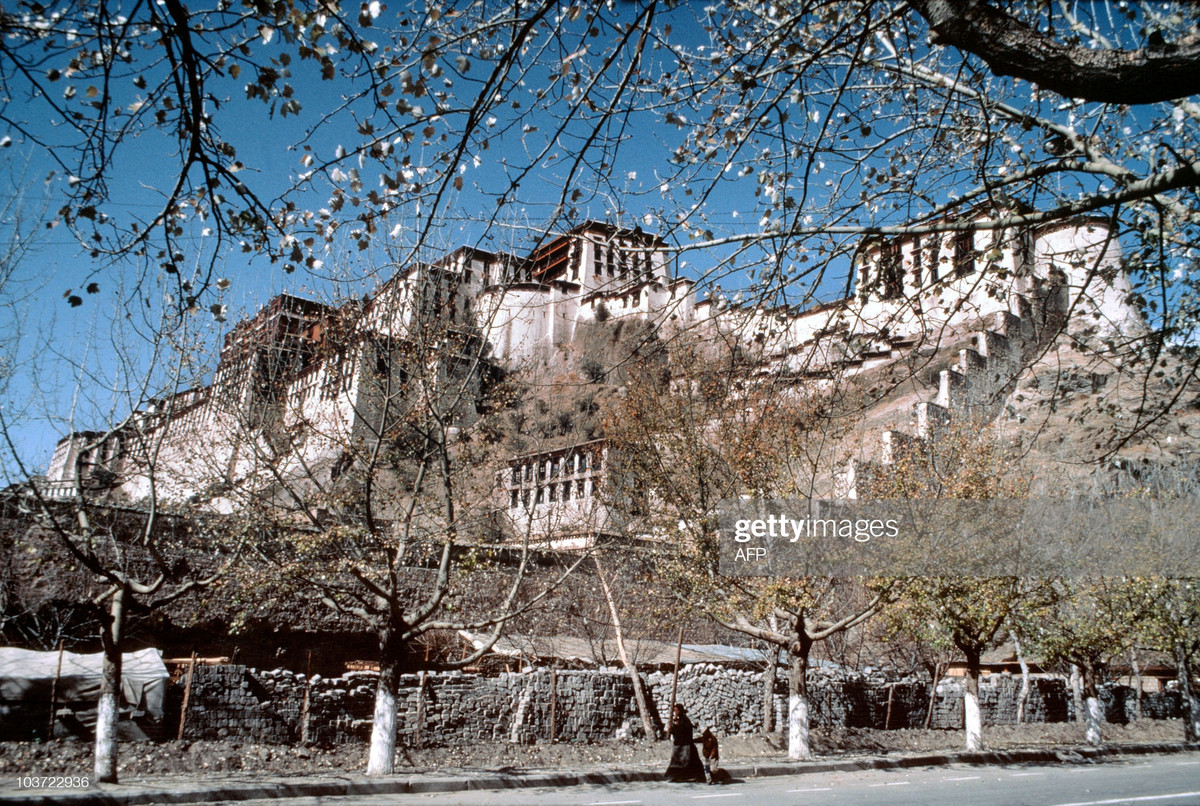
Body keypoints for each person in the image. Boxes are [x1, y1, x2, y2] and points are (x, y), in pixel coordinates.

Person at [664, 703, 706, 782]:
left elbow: (682, 731)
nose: (675, 712)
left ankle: (697, 776)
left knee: (691, 762)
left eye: (676, 710)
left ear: (680, 710)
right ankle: (679, 776)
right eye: (674, 710)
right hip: (680, 745)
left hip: (686, 745)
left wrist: (673, 729)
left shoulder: (685, 720)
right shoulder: (679, 719)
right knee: (679, 762)